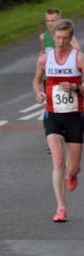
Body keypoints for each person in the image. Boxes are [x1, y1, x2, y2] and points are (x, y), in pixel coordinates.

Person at [32, 18, 84, 222]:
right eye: (58, 38)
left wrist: (77, 88)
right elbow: (36, 82)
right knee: (58, 162)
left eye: (65, 38)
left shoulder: (79, 58)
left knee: (72, 167)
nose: (61, 42)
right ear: (53, 38)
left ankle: (72, 175)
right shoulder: (45, 59)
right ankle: (60, 207)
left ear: (71, 38)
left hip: (75, 116)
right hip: (53, 115)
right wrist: (39, 94)